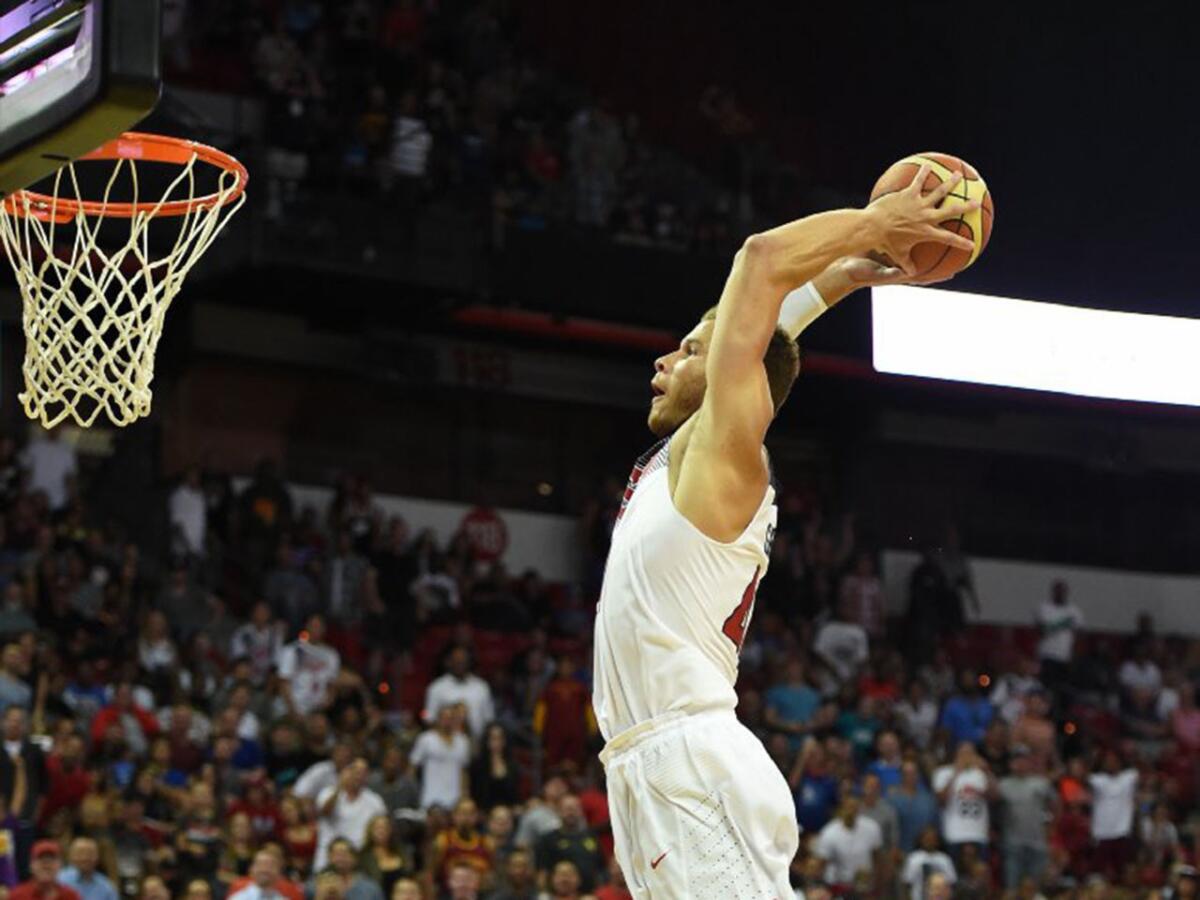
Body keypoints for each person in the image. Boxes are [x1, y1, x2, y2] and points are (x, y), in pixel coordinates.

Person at [590, 170, 978, 897]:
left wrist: (876, 222)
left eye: (692, 349)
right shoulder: (684, 454)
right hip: (646, 769)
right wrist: (842, 279)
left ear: (737, 379)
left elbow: (760, 263)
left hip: (691, 765)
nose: (665, 359)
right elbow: (771, 331)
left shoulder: (728, 455)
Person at [314, 758, 387, 871]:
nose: (359, 776)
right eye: (356, 771)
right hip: (329, 857)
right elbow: (325, 812)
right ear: (346, 772)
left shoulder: (375, 801)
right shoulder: (328, 793)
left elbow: (382, 829)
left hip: (360, 859)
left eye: (363, 772)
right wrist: (339, 786)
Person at [11, 842, 80, 900]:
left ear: (60, 865)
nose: (46, 865)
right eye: (41, 860)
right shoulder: (18, 896)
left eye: (51, 860)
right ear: (31, 865)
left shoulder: (71, 896)